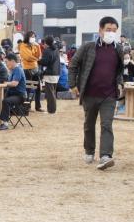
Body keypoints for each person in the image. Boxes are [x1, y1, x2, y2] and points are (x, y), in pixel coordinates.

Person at [69, 16, 124, 170]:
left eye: (114, 30)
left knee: (107, 124)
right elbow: (73, 65)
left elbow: (119, 70)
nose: (111, 33)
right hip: (90, 93)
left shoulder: (118, 49)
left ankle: (106, 155)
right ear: (100, 30)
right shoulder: (88, 47)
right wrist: (73, 84)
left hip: (109, 94)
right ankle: (89, 150)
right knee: (89, 124)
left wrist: (119, 83)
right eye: (108, 30)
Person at [0, 53, 27, 131]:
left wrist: (5, 83)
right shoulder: (12, 70)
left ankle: (5, 124)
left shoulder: (18, 69)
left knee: (6, 101)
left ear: (12, 61)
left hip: (20, 96)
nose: (6, 64)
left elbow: (14, 84)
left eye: (6, 62)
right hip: (13, 94)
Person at [18, 31, 42, 111]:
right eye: (32, 36)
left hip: (35, 69)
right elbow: (28, 57)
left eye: (34, 36)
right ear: (27, 37)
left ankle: (38, 106)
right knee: (27, 88)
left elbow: (39, 55)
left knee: (38, 88)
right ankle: (26, 106)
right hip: (27, 69)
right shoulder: (22, 45)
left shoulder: (35, 45)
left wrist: (38, 46)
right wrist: (36, 59)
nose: (33, 38)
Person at [39, 37, 60, 114]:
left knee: (50, 94)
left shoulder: (47, 50)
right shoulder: (56, 49)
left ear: (46, 43)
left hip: (50, 74)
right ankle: (52, 109)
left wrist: (38, 61)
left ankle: (51, 110)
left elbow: (45, 62)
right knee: (53, 92)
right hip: (56, 73)